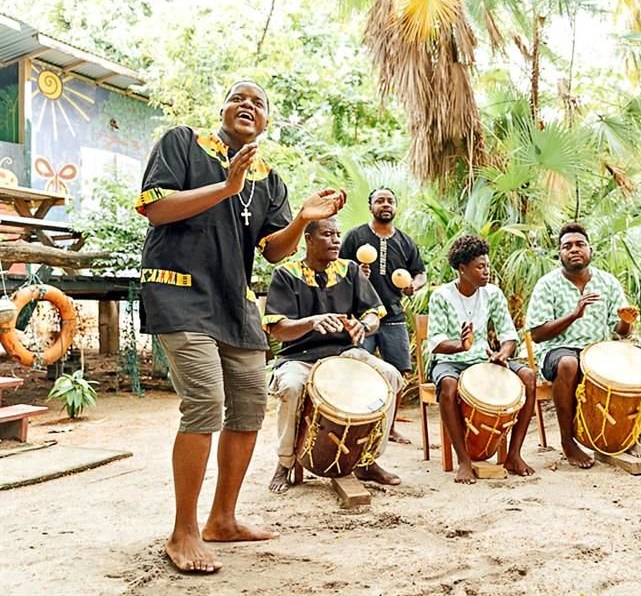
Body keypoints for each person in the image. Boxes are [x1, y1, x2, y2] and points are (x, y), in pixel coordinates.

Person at [137, 80, 346, 573]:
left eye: (259, 103)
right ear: (224, 109)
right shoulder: (183, 142)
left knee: (249, 405)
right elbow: (154, 207)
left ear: (266, 121)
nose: (248, 105)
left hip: (235, 302)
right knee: (205, 401)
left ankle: (222, 519)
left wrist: (300, 219)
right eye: (239, 98)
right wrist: (227, 187)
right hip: (178, 290)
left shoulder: (268, 178)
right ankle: (183, 530)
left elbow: (275, 251)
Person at [264, 217, 403, 493]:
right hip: (298, 357)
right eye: (328, 234)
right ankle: (285, 462)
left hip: (344, 354)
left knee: (391, 376)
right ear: (309, 240)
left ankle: (368, 460)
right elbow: (278, 329)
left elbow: (374, 313)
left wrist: (363, 325)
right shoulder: (286, 274)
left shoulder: (350, 270)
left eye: (338, 234)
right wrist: (311, 322)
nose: (336, 240)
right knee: (292, 387)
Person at [526, 223, 641, 469]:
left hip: (603, 351)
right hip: (560, 350)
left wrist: (626, 321)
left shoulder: (607, 282)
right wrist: (573, 315)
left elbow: (621, 332)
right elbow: (537, 334)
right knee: (569, 364)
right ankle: (568, 442)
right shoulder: (547, 284)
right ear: (559, 253)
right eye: (567, 246)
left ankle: (632, 436)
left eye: (580, 244)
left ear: (590, 249)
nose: (574, 250)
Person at [427, 235, 537, 483]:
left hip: (484, 359)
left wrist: (503, 354)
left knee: (528, 377)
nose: (487, 271)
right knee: (448, 386)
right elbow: (436, 343)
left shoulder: (492, 294)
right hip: (449, 360)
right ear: (462, 269)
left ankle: (513, 455)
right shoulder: (442, 296)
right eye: (480, 267)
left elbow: (509, 335)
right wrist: (460, 345)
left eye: (487, 265)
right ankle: (464, 461)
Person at [340, 187, 427, 444]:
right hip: (361, 317)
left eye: (390, 200)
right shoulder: (355, 236)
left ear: (395, 207)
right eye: (380, 200)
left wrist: (414, 285)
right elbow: (338, 267)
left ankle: (389, 428)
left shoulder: (405, 241)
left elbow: (420, 272)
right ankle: (357, 424)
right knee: (357, 370)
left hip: (393, 315)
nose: (385, 204)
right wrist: (356, 273)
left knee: (399, 372)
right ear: (371, 207)